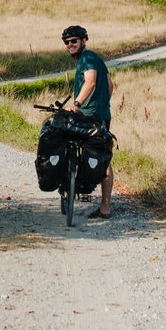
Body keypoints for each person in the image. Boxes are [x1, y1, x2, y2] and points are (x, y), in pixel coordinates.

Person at [60, 24, 113, 219]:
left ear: (84, 40)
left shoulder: (88, 57)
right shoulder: (96, 59)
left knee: (68, 139)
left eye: (74, 41)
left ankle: (71, 179)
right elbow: (109, 85)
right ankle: (105, 206)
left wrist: (77, 103)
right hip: (102, 115)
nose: (70, 44)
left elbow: (91, 81)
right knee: (103, 156)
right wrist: (102, 104)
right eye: (67, 42)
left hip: (89, 115)